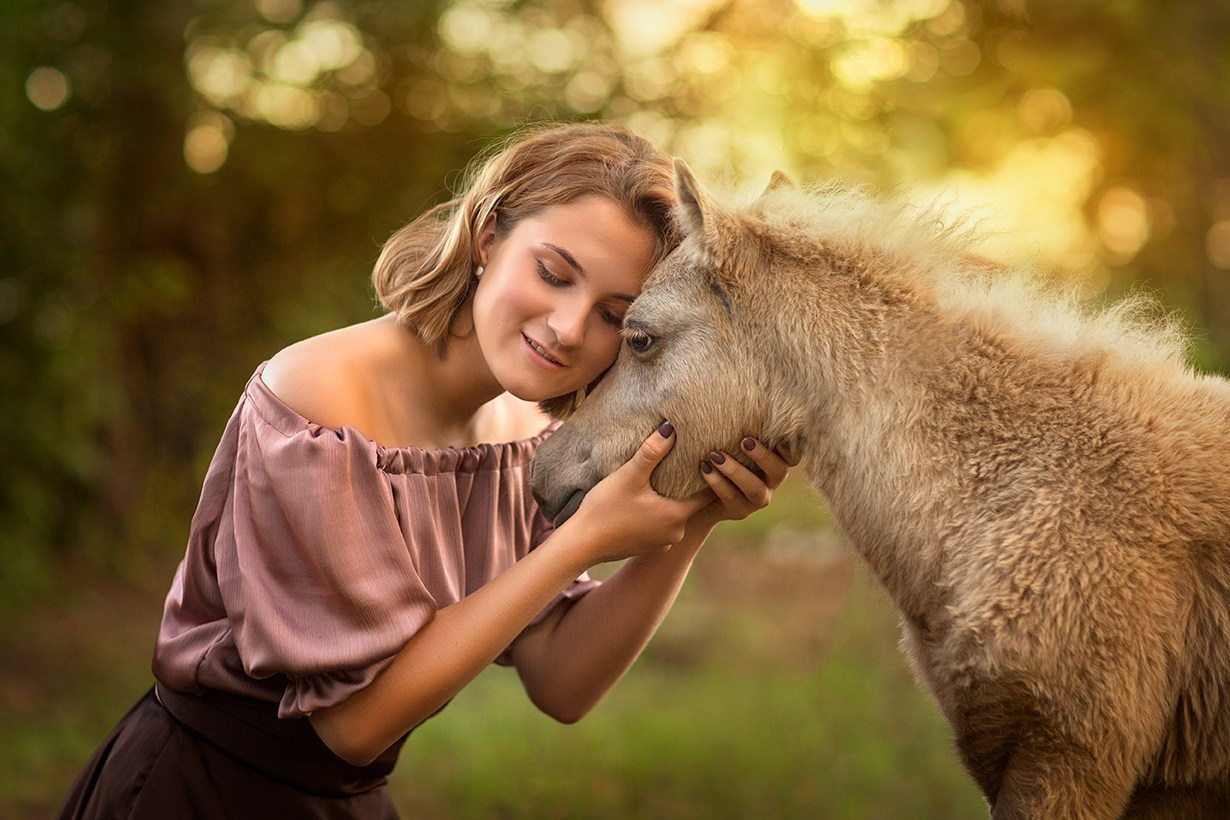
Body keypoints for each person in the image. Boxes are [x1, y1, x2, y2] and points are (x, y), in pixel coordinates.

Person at [59, 121, 794, 818]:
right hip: (199, 792)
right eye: (552, 273)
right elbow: (351, 726)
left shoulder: (518, 433)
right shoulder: (320, 400)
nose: (569, 328)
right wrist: (580, 542)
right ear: (485, 238)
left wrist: (695, 518)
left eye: (613, 313)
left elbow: (562, 683)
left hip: (344, 803)